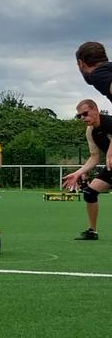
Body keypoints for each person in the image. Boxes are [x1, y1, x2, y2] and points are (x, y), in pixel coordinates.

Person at [62, 98, 112, 240]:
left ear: (95, 110)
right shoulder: (90, 132)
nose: (83, 118)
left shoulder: (110, 122)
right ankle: (92, 232)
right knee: (89, 193)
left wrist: (110, 152)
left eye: (85, 114)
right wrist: (78, 173)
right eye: (79, 116)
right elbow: (94, 157)